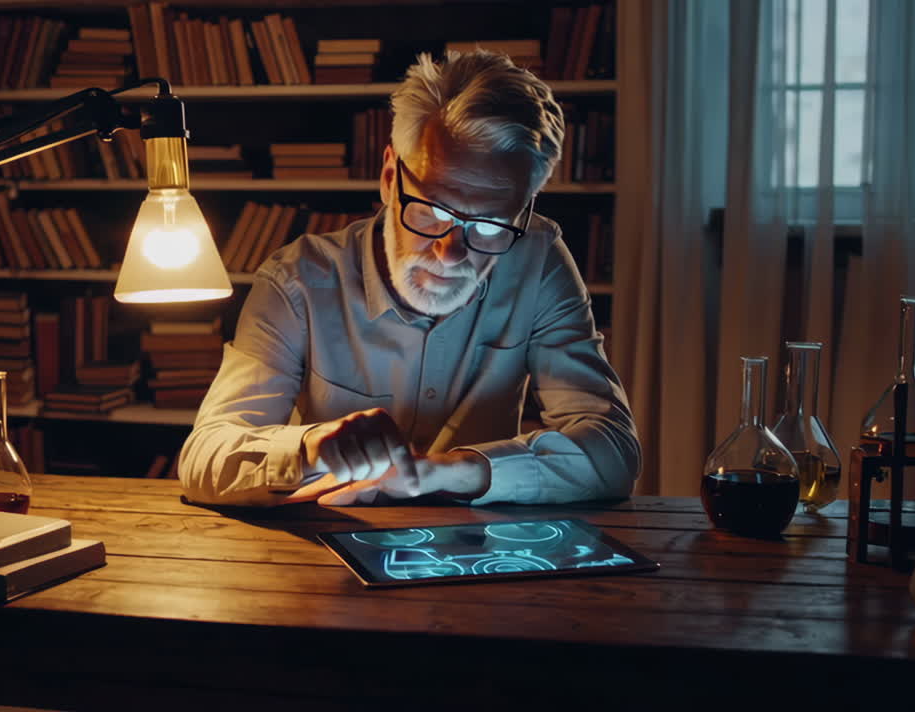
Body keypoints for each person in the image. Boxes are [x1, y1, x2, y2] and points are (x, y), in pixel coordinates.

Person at [178, 49, 640, 507]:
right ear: (387, 178)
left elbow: (614, 452)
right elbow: (204, 457)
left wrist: (448, 471)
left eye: (488, 225)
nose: (450, 251)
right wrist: (311, 447)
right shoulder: (299, 279)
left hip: (479, 558)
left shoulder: (537, 260)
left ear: (523, 210)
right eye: (434, 211)